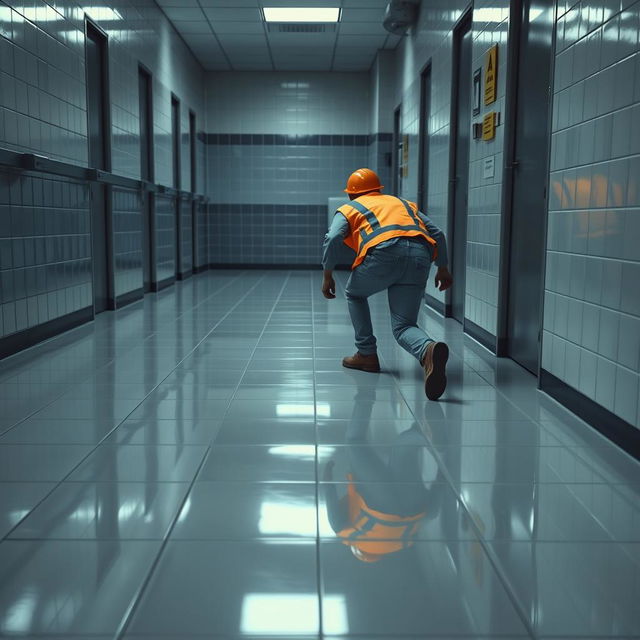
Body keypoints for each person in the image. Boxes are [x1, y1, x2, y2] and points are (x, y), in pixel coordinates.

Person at [321, 168, 453, 400]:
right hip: (420, 257)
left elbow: (333, 238)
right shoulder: (402, 203)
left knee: (355, 294)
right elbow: (438, 233)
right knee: (403, 325)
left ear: (351, 194)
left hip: (383, 254)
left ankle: (366, 354)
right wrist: (442, 267)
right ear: (378, 189)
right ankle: (427, 349)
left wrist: (327, 274)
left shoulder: (349, 208)